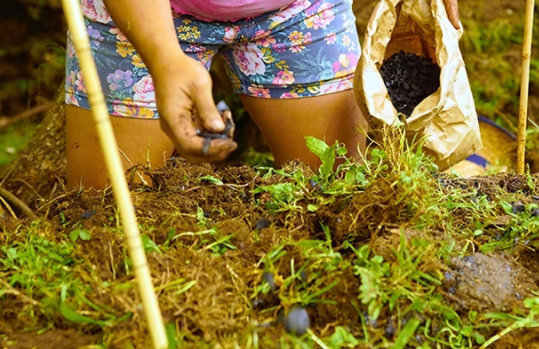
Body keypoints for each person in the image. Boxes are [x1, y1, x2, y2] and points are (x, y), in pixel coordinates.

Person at [65, 0, 459, 188]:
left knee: (340, 192)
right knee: (102, 213)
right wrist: (163, 59)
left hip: (297, 11)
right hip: (143, 13)